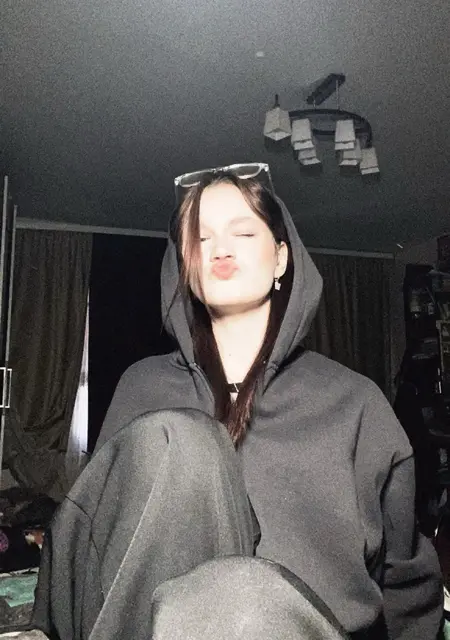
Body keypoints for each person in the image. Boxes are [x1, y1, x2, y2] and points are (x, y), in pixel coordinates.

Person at [34, 163, 442, 639]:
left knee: (246, 597)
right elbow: (87, 539)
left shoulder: (354, 403)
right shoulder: (142, 389)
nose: (220, 249)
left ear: (282, 258)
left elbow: (405, 579)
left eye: (243, 233)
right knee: (177, 438)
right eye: (200, 238)